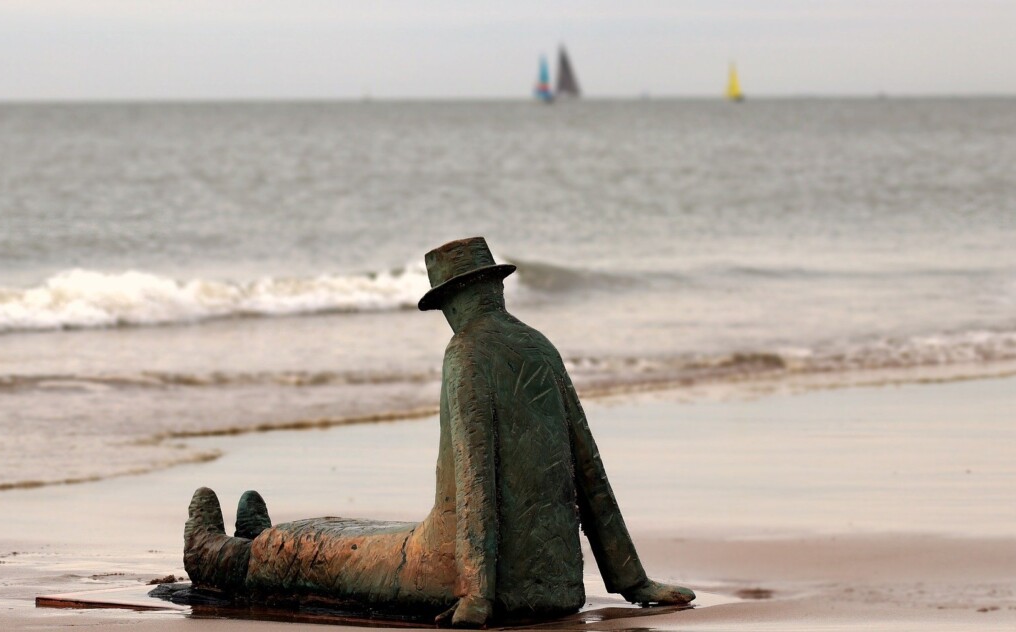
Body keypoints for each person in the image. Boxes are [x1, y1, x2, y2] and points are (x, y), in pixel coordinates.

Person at [183, 237, 694, 626]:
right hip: (558, 588)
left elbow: (476, 480)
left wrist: (475, 595)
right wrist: (634, 580)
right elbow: (590, 473)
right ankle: (256, 536)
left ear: (453, 300)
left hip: (462, 574)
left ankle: (221, 555)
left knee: (323, 552)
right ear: (493, 286)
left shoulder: (466, 353)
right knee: (353, 531)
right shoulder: (540, 346)